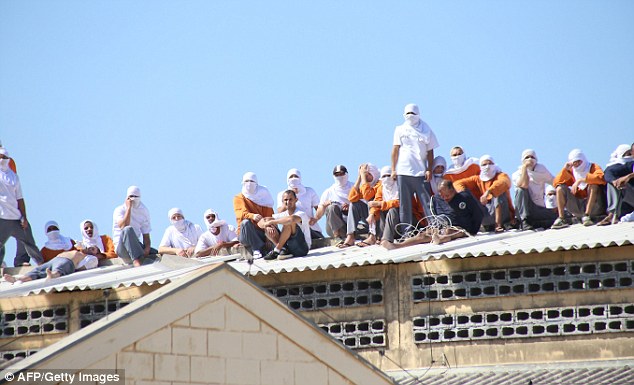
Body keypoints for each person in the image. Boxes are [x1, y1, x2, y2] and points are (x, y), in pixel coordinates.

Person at [381, 180, 481, 250]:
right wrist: (435, 227)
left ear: (453, 190)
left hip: (461, 228)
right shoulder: (437, 199)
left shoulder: (465, 197)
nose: (445, 198)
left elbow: (478, 213)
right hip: (443, 226)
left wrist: (473, 231)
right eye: (442, 195)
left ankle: (440, 239)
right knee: (423, 234)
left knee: (449, 231)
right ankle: (398, 246)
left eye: (447, 195)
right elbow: (437, 216)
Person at [391, 103, 439, 230]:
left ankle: (434, 227)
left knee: (427, 202)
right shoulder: (399, 129)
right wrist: (393, 169)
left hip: (421, 172)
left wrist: (429, 168)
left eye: (412, 113)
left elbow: (430, 151)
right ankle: (406, 231)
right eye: (407, 114)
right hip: (403, 171)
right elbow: (395, 150)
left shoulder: (426, 130)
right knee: (405, 204)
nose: (410, 116)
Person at [0, 147, 43, 267]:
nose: (2, 159)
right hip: (2, 216)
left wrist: (24, 216)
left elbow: (19, 197)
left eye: (4, 157)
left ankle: (39, 265)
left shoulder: (13, 176)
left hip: (15, 215)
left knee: (28, 241)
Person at [454, 155, 514, 233]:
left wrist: (489, 192)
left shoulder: (501, 175)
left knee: (499, 192)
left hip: (503, 213)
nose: (487, 166)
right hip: (486, 212)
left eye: (490, 164)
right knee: (465, 195)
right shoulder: (477, 179)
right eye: (484, 164)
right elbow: (457, 183)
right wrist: (464, 192)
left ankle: (498, 225)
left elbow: (504, 182)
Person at [552, 149, 607, 228]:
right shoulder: (572, 171)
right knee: (560, 188)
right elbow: (556, 182)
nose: (577, 164)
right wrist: (565, 170)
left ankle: (587, 215)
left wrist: (581, 180)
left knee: (593, 185)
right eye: (575, 163)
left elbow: (601, 178)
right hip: (579, 206)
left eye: (579, 161)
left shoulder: (593, 167)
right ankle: (561, 218)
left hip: (595, 206)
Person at [512, 149, 557, 230]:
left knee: (560, 216)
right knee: (520, 190)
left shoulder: (541, 170)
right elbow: (523, 185)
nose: (530, 159)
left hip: (538, 209)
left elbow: (555, 182)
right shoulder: (516, 174)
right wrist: (525, 168)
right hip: (526, 209)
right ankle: (524, 221)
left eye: (532, 157)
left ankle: (536, 223)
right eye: (527, 157)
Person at [259, 190, 311, 260]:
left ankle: (277, 250)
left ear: (296, 200)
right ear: (282, 201)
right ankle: (283, 249)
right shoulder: (283, 214)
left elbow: (291, 219)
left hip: (302, 248)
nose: (288, 202)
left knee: (288, 222)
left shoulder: (301, 213)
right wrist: (267, 226)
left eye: (290, 199)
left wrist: (271, 222)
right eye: (286, 200)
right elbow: (261, 222)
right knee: (269, 223)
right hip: (289, 247)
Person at [233, 172, 275, 257]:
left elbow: (269, 217)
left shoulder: (263, 196)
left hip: (260, 232)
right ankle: (256, 249)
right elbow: (241, 214)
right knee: (245, 223)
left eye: (251, 181)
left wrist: (268, 237)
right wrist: (252, 216)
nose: (249, 183)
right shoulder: (239, 198)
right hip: (246, 234)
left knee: (273, 227)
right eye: (246, 181)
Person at [3, 249, 99, 284]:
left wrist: (74, 265)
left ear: (96, 253)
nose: (90, 248)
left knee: (59, 270)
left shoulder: (91, 258)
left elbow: (83, 267)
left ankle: (53, 276)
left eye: (94, 249)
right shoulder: (78, 250)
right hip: (55, 260)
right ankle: (18, 280)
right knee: (37, 271)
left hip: (67, 262)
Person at [340, 163, 379, 248]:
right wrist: (359, 178)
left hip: (380, 219)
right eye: (365, 175)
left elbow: (367, 195)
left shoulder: (380, 183)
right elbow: (351, 198)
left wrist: (364, 179)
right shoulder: (365, 185)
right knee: (354, 204)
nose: (366, 177)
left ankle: (372, 236)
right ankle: (350, 236)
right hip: (369, 219)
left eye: (368, 174)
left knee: (371, 201)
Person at [277, 168, 323, 239]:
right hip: (293, 231)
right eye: (291, 177)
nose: (293, 178)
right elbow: (280, 212)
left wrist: (315, 218)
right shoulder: (281, 194)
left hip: (311, 229)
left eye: (296, 176)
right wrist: (290, 196)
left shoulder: (309, 191)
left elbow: (319, 208)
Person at [112, 185, 152, 267]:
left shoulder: (144, 211)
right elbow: (123, 226)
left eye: (135, 196)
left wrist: (147, 249)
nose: (133, 199)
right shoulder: (119, 210)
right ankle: (136, 260)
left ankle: (139, 256)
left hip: (136, 245)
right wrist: (129, 208)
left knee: (157, 253)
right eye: (130, 196)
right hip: (122, 248)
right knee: (128, 229)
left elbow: (146, 235)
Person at [312, 165, 353, 241]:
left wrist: (350, 207)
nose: (339, 177)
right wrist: (324, 206)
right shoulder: (329, 192)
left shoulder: (354, 187)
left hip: (350, 225)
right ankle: (336, 236)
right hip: (333, 228)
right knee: (332, 207)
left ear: (346, 174)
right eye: (337, 175)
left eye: (341, 174)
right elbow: (318, 215)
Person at [598, 144, 634, 225]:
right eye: (628, 154)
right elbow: (608, 174)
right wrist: (615, 181)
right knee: (614, 184)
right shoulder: (614, 167)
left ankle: (613, 215)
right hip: (626, 200)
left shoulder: (630, 164)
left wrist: (628, 177)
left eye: (631, 153)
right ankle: (612, 214)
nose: (630, 156)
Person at [368, 166, 400, 244]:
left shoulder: (400, 186)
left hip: (404, 219)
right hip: (391, 222)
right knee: (380, 210)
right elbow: (377, 200)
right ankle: (380, 236)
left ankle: (386, 239)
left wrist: (381, 204)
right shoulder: (382, 188)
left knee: (392, 210)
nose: (386, 178)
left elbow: (400, 202)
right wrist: (372, 214)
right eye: (384, 176)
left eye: (388, 175)